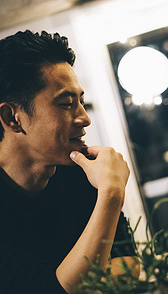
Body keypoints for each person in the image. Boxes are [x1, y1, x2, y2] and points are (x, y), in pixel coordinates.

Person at [0, 30, 139, 293]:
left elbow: (128, 261)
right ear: (12, 118)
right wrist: (110, 194)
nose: (85, 118)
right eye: (66, 104)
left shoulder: (81, 172)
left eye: (81, 102)